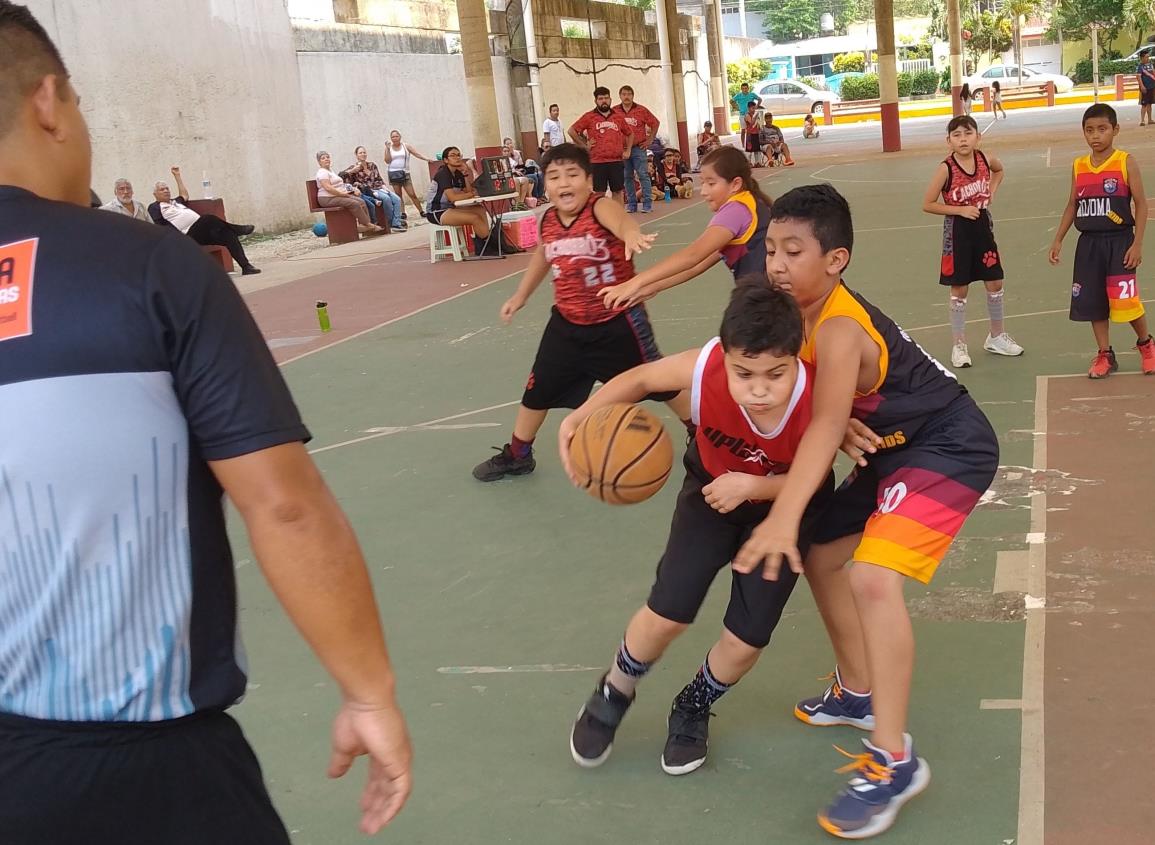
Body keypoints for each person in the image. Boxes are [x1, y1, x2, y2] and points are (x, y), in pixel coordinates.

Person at [0, 4, 413, 843]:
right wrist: (368, 691)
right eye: (77, 103)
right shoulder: (147, 267)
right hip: (143, 768)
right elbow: (283, 505)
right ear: (49, 102)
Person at [730, 184, 999, 839]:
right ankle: (856, 689)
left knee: (871, 578)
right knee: (825, 554)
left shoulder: (841, 324)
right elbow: (815, 405)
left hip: (946, 441)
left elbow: (821, 430)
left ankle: (893, 761)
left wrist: (777, 514)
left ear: (836, 259)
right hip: (890, 448)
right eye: (770, 249)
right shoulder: (786, 313)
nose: (777, 263)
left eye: (793, 251)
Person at [558, 283, 834, 776]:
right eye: (743, 373)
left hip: (787, 506)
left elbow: (814, 473)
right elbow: (642, 378)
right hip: (709, 495)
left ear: (797, 358)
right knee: (669, 613)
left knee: (746, 640)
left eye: (776, 373)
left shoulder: (818, 396)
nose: (759, 388)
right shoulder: (703, 367)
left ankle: (694, 702)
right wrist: (580, 418)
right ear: (724, 357)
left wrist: (754, 485)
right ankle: (615, 688)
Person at [470, 143, 689, 482]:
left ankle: (700, 433)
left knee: (659, 383)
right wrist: (521, 295)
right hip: (567, 325)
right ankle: (518, 454)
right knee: (536, 390)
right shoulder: (548, 220)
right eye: (554, 176)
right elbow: (544, 255)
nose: (564, 183)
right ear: (545, 184)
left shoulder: (599, 207)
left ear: (589, 181)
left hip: (617, 322)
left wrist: (631, 234)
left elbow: (620, 220)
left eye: (572, 174)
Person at [1049, 103, 1155, 376]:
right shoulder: (1079, 165)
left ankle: (1146, 344)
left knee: (1127, 301)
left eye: (1102, 129)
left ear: (1115, 130)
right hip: (1089, 245)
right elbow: (1072, 205)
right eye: (1089, 130)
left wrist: (1137, 243)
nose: (1095, 135)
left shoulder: (1125, 161)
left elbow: (1141, 205)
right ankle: (1105, 354)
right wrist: (1058, 239)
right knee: (1094, 301)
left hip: (1120, 242)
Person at [601, 146, 773, 309]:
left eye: (711, 184)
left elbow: (693, 256)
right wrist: (653, 286)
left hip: (766, 303)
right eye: (703, 182)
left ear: (735, 184)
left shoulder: (736, 209)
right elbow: (699, 264)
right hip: (768, 300)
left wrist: (634, 283)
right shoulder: (750, 203)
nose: (704, 191)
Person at [921, 115, 1023, 368]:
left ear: (978, 136)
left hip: (982, 225)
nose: (963, 139)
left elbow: (999, 171)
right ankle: (959, 344)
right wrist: (960, 210)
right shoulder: (946, 168)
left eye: (968, 133)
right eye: (956, 135)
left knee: (994, 280)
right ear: (949, 141)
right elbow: (928, 204)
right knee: (960, 287)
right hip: (957, 232)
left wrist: (992, 190)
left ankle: (997, 336)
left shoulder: (985, 160)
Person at [149, 166, 262, 274]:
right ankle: (238, 230)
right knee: (208, 218)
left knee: (228, 234)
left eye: (167, 188)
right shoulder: (155, 207)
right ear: (155, 194)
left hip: (201, 232)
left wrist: (177, 176)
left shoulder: (175, 202)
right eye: (161, 190)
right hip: (186, 235)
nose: (166, 191)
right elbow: (159, 225)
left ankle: (246, 267)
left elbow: (184, 195)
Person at [424, 145, 504, 257]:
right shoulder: (443, 174)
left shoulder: (457, 174)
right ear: (445, 160)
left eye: (458, 155)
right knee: (474, 218)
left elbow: (468, 190)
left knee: (479, 209)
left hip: (450, 208)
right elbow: (453, 197)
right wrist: (470, 194)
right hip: (436, 212)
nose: (457, 158)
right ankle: (490, 244)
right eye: (452, 155)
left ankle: (483, 246)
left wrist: (465, 173)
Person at [569, 86, 633, 204]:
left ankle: (618, 218)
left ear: (610, 99)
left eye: (606, 98)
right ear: (596, 101)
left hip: (616, 161)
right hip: (597, 162)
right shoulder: (589, 117)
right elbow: (571, 131)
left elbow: (629, 133)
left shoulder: (618, 117)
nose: (604, 101)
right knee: (599, 193)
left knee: (618, 191)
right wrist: (584, 146)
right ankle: (600, 218)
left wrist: (628, 150)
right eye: (600, 98)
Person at [314, 151, 387, 238]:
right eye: (323, 158)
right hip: (327, 198)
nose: (326, 159)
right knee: (354, 203)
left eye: (327, 157)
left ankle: (366, 225)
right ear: (319, 162)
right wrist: (342, 194)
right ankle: (370, 225)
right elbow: (328, 188)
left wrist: (352, 189)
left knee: (361, 201)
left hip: (337, 195)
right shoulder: (322, 172)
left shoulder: (330, 171)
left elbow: (339, 185)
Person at [614, 85, 660, 214]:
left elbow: (655, 123)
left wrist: (650, 139)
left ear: (633, 96)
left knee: (643, 175)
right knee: (627, 176)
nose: (626, 96)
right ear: (620, 96)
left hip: (638, 147)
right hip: (622, 149)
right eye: (624, 94)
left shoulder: (641, 110)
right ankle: (632, 204)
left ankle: (647, 204)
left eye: (629, 94)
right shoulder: (615, 111)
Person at [342, 145, 405, 231]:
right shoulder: (354, 168)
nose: (363, 154)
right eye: (360, 153)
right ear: (356, 155)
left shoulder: (372, 165)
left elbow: (379, 178)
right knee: (386, 199)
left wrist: (385, 188)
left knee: (397, 199)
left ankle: (396, 222)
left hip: (380, 188)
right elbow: (342, 175)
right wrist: (353, 171)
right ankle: (391, 223)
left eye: (364, 152)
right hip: (369, 191)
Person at [386, 129, 433, 221]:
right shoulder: (389, 147)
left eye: (396, 136)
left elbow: (416, 153)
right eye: (393, 137)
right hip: (393, 173)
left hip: (405, 172)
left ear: (400, 137)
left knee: (412, 193)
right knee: (398, 194)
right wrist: (387, 149)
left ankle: (421, 211)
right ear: (390, 138)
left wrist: (426, 159)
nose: (395, 138)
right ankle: (403, 212)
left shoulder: (405, 146)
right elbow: (387, 160)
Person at [501, 137, 537, 208]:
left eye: (507, 151)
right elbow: (504, 171)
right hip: (507, 177)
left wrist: (516, 171)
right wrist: (514, 171)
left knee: (525, 180)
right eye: (504, 151)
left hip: (514, 175)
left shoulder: (510, 159)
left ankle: (521, 202)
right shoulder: (500, 160)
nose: (506, 153)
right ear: (501, 152)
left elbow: (516, 166)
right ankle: (517, 204)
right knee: (516, 181)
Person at [1137, 51, 1155, 126]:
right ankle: (1142, 120)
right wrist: (1142, 86)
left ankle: (1150, 119)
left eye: (1148, 57)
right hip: (1145, 87)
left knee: (1150, 104)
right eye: (1146, 57)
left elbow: (1154, 72)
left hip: (1152, 86)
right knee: (1144, 104)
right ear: (1142, 58)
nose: (1148, 58)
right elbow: (1139, 77)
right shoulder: (1140, 66)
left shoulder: (1151, 65)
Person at [742, 102, 763, 166]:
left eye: (754, 108)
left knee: (757, 149)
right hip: (750, 134)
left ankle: (758, 162)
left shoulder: (755, 115)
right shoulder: (747, 115)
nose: (754, 110)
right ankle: (749, 162)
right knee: (750, 150)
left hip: (756, 133)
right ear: (748, 108)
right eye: (752, 108)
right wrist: (755, 117)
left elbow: (758, 124)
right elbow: (751, 123)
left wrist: (759, 126)